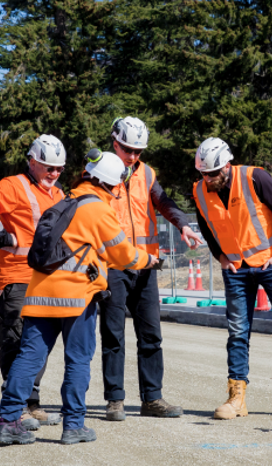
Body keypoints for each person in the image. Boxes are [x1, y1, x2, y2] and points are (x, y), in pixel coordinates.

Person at [0, 152, 161, 445]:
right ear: (113, 184)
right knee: (78, 361)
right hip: (76, 298)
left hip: (38, 295)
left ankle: (8, 421)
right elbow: (122, 254)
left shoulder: (63, 202)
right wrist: (150, 260)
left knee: (29, 357)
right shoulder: (97, 209)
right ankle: (73, 425)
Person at [190, 137, 272, 420]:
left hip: (271, 264)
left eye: (213, 173)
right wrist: (220, 256)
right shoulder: (199, 191)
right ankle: (237, 398)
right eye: (204, 174)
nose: (209, 179)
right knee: (237, 332)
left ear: (227, 165)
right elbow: (206, 226)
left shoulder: (255, 177)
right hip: (235, 269)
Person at [96, 116, 204, 421]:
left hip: (145, 266)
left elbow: (164, 202)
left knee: (151, 336)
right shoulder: (98, 174)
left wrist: (183, 225)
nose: (133, 156)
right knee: (113, 335)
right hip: (113, 266)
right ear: (114, 143)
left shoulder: (146, 173)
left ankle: (152, 399)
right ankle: (115, 400)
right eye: (128, 149)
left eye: (138, 151)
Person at [0, 134, 66, 428]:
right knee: (15, 342)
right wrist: (2, 236)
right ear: (32, 162)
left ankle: (31, 402)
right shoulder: (14, 185)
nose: (54, 173)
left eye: (59, 169)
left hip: (45, 279)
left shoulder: (58, 195)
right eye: (48, 167)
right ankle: (15, 407)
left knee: (39, 344)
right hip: (15, 277)